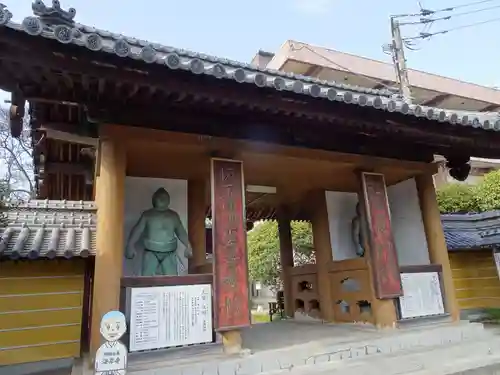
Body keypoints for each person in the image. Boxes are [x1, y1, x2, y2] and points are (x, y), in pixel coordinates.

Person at [125, 187, 193, 276]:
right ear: (153, 199)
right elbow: (137, 230)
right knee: (147, 279)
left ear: (168, 200)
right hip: (151, 251)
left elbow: (181, 232)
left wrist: (188, 245)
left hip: (169, 252)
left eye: (164, 197)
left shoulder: (173, 216)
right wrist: (130, 245)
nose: (161, 200)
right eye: (159, 197)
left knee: (171, 279)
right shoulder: (147, 215)